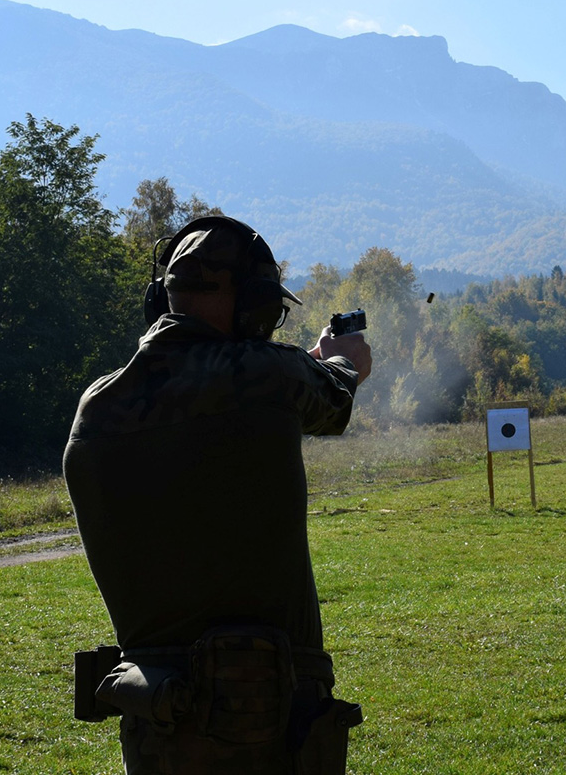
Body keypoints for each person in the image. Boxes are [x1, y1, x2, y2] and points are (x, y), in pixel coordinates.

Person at [63, 215, 371, 774]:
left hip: (156, 716)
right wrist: (344, 359)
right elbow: (334, 399)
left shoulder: (98, 404)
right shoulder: (262, 373)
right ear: (252, 302)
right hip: (271, 715)